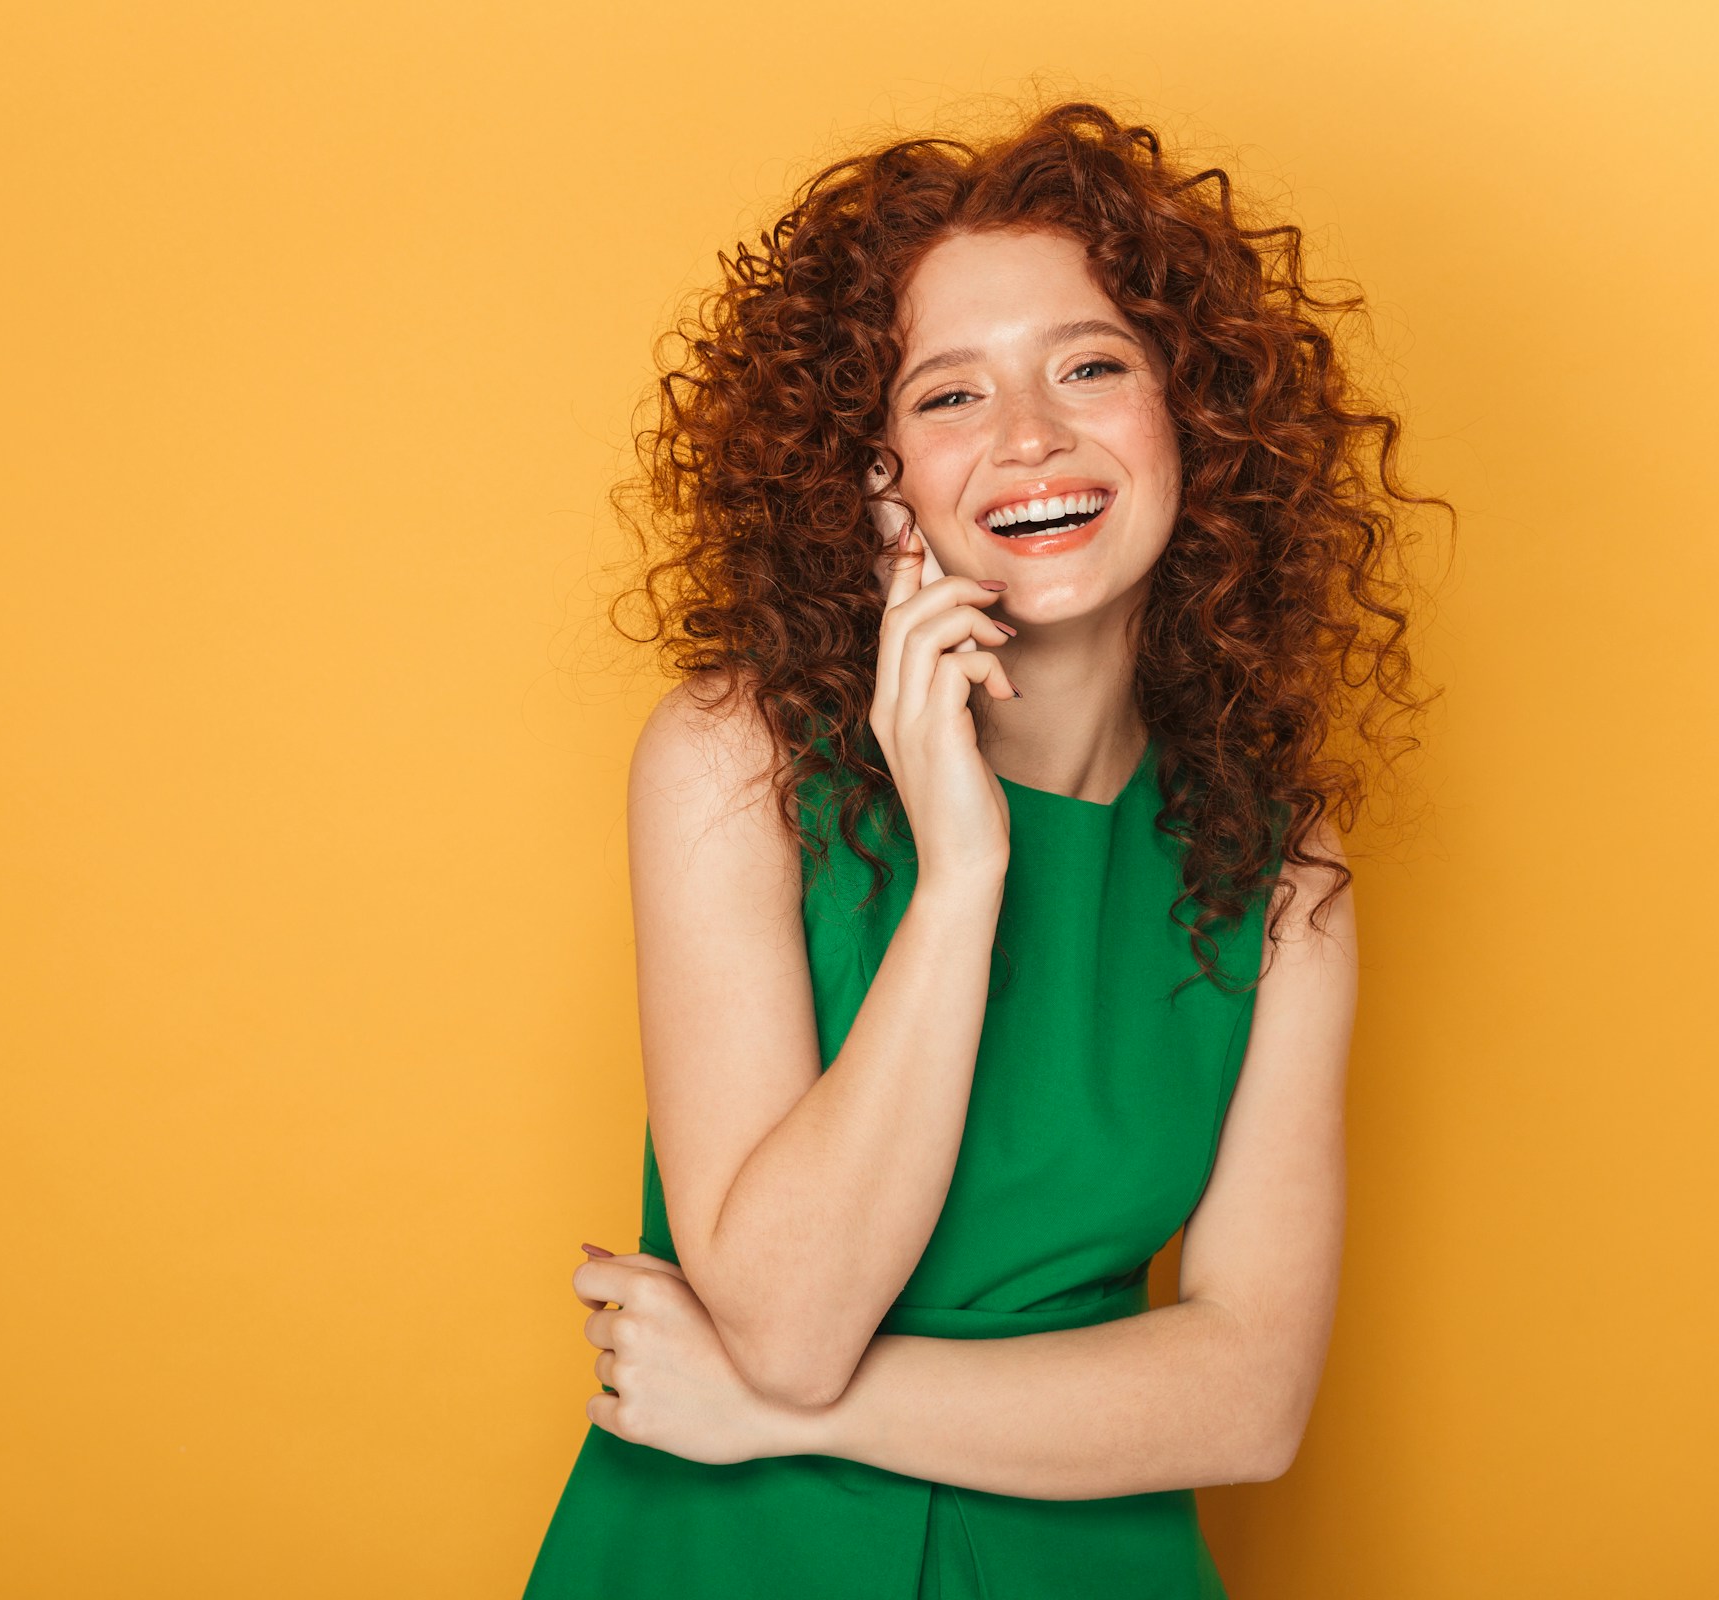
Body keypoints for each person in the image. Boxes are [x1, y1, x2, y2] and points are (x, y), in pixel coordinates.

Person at [522, 99, 1448, 1599]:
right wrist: (963, 874)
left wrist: (760, 1411)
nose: (1030, 437)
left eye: (1090, 367)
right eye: (947, 395)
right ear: (872, 473)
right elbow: (788, 1316)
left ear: (1193, 418)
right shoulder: (732, 761)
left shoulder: (1277, 864)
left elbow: (1250, 1399)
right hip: (725, 1561)